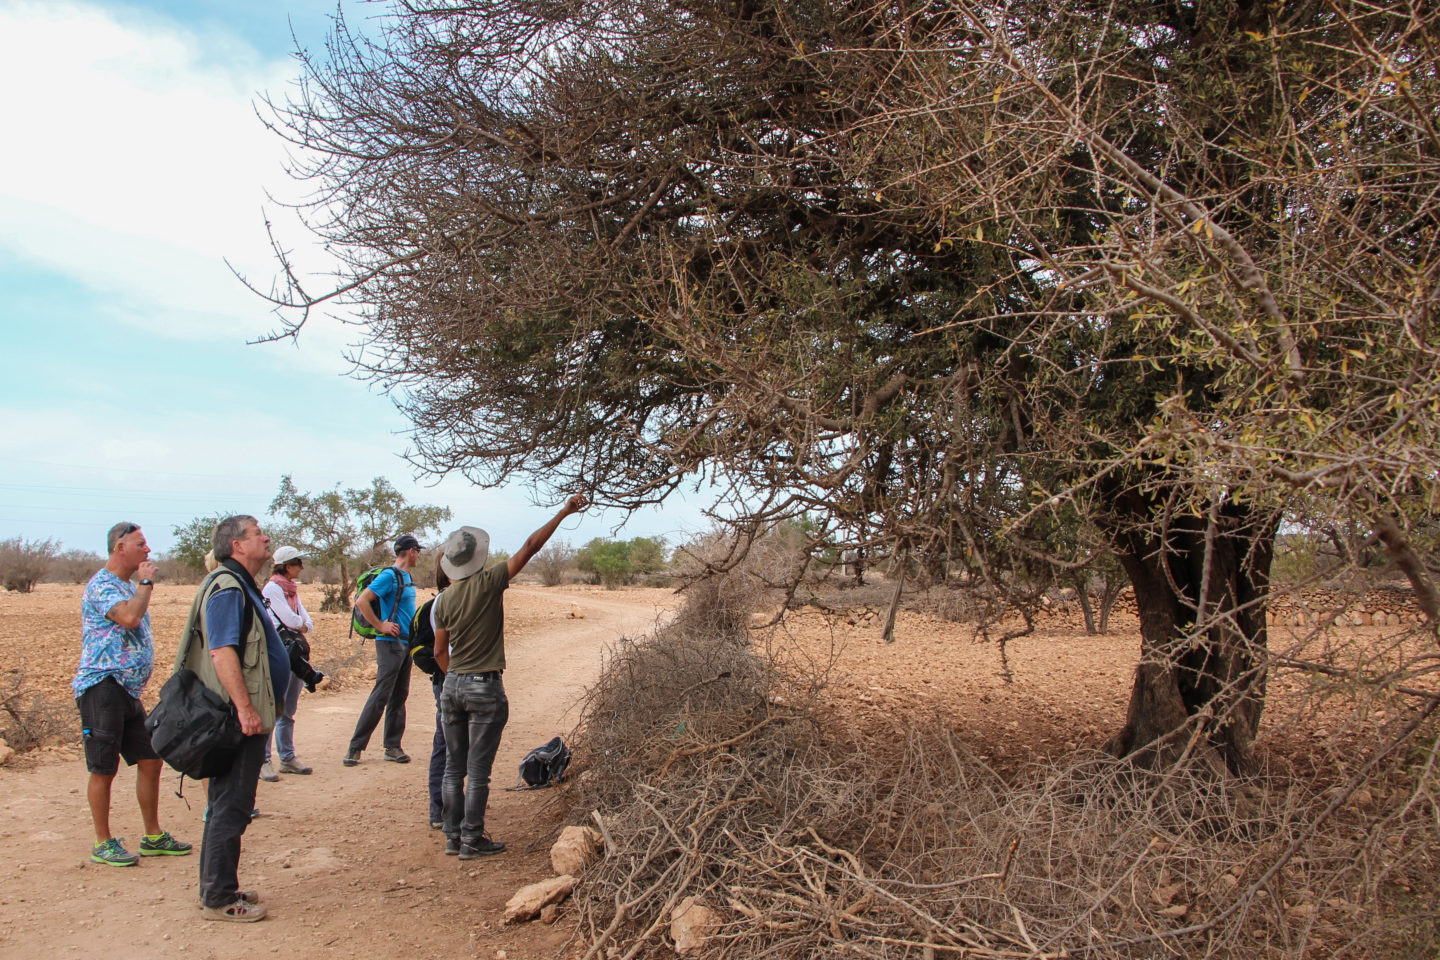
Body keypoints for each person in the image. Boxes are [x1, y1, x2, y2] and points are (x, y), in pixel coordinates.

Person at [434, 493, 588, 859]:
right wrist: (564, 512)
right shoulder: (489, 582)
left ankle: (453, 838)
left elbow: (441, 651)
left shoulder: (442, 600)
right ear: (477, 557)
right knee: (478, 770)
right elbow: (531, 547)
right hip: (484, 686)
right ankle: (473, 839)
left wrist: (453, 677)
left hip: (452, 685)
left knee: (453, 768)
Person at [180, 515, 289, 922]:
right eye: (257, 533)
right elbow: (222, 652)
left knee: (226, 802)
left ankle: (218, 885)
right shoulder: (228, 588)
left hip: (242, 714)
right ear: (237, 545)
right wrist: (245, 708)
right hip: (238, 717)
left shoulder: (240, 584)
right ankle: (218, 898)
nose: (265, 538)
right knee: (232, 804)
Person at [73, 522, 192, 867]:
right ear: (118, 547)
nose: (147, 550)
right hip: (101, 686)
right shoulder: (102, 586)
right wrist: (145, 584)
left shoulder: (124, 585)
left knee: (151, 759)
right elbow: (128, 617)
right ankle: (102, 841)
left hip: (126, 690)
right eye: (140, 544)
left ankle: (152, 835)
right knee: (103, 766)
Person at [344, 534, 422, 766]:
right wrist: (381, 626)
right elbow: (362, 601)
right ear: (411, 552)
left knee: (399, 695)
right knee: (381, 695)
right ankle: (355, 747)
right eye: (418, 551)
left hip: (406, 643)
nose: (418, 555)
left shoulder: (406, 576)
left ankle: (393, 747)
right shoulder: (390, 576)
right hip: (390, 644)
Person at [260, 546, 315, 779]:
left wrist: (302, 623)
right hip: (279, 652)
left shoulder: (291, 590)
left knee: (289, 709)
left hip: (294, 653)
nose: (301, 568)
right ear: (286, 565)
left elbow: (306, 621)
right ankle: (263, 761)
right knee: (274, 708)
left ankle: (287, 757)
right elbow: (292, 620)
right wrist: (301, 623)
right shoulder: (272, 588)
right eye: (297, 563)